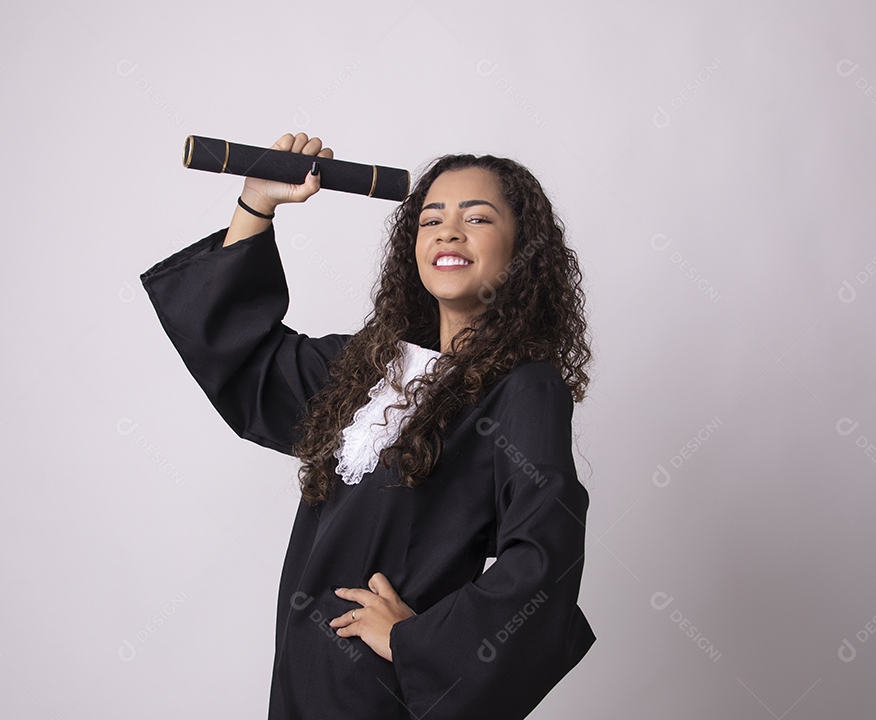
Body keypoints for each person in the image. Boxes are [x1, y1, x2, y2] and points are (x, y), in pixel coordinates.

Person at [140, 132, 596, 719]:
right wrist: (257, 203)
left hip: (382, 693)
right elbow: (242, 356)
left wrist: (416, 642)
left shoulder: (523, 388)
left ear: (522, 248)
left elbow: (545, 548)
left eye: (477, 218)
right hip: (305, 680)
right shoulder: (369, 367)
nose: (448, 233)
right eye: (431, 220)